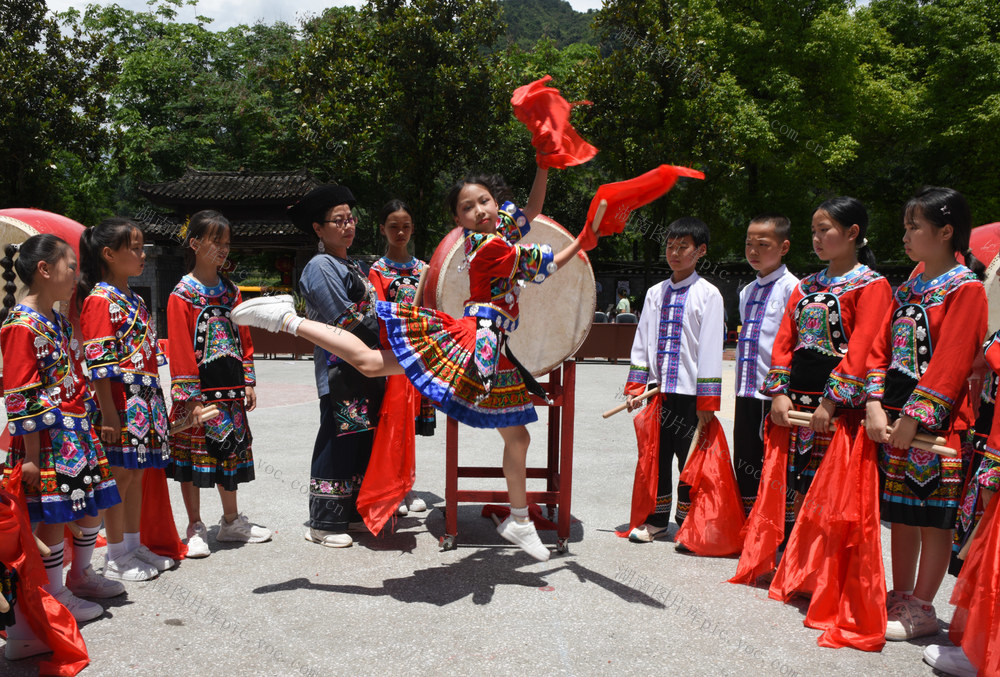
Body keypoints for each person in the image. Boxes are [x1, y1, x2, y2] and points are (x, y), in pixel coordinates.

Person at [232, 166, 593, 561]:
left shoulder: (498, 233)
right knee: (367, 370)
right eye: (468, 207)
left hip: (489, 344)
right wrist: (585, 239)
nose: (480, 210)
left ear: (497, 203)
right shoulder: (491, 248)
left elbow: (531, 211)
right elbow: (547, 265)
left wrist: (542, 163)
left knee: (516, 437)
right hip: (468, 343)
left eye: (485, 201)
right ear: (458, 220)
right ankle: (287, 319)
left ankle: (518, 519)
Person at [864, 186, 987, 641]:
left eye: (914, 227)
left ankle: (923, 606)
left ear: (946, 231)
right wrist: (874, 404)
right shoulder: (907, 289)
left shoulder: (966, 288)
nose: (905, 236)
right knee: (901, 512)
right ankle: (900, 595)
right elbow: (880, 348)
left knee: (934, 516)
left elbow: (952, 360)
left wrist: (915, 417)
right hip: (894, 419)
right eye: (906, 227)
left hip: (937, 425)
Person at [0, 235, 122, 622]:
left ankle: (80, 574)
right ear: (44, 269)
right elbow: (22, 396)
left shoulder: (57, 320)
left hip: (75, 432)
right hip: (46, 440)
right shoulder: (21, 325)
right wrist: (32, 458)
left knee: (88, 507)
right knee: (54, 516)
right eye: (70, 266)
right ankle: (54, 593)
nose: (76, 275)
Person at [762, 197, 892, 535]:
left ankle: (820, 562)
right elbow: (785, 340)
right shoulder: (806, 285)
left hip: (838, 412)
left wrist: (830, 401)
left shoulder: (872, 285)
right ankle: (793, 556)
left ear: (852, 232)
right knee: (793, 488)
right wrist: (778, 393)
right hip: (795, 407)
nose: (816, 239)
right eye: (813, 232)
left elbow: (863, 349)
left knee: (830, 493)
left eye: (824, 230)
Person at [166, 210, 270, 557]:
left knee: (229, 455)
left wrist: (248, 380)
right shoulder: (182, 294)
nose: (223, 249)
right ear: (195, 244)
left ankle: (230, 521)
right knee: (193, 462)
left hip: (230, 393)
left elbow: (243, 338)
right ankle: (195, 527)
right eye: (216, 242)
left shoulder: (231, 292)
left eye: (226, 243)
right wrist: (190, 398)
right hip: (198, 394)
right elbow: (181, 347)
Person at [292, 185, 387, 548]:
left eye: (350, 219)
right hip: (339, 370)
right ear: (318, 229)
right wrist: (389, 334)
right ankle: (323, 521)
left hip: (363, 368)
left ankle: (351, 512)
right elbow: (343, 318)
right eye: (338, 220)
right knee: (337, 440)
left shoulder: (351, 265)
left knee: (360, 440)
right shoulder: (320, 266)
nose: (348, 226)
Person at [79, 218, 174, 581]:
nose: (141, 254)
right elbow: (99, 364)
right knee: (119, 475)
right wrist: (108, 413)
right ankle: (116, 554)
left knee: (136, 474)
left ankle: (133, 545)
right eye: (134, 248)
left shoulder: (135, 299)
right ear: (108, 254)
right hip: (119, 402)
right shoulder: (98, 300)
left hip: (144, 400)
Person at [622, 217, 724, 542]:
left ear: (700, 251)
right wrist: (635, 387)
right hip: (658, 393)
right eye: (670, 246)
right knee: (657, 457)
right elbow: (642, 341)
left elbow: (711, 348)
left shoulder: (709, 295)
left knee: (690, 460)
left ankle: (689, 524)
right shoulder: (655, 293)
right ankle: (656, 520)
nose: (675, 253)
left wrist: (708, 400)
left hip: (691, 395)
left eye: (683, 247)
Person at [367, 199, 433, 517]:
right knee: (392, 423)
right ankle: (393, 486)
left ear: (413, 228)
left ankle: (407, 485)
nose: (400, 232)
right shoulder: (377, 271)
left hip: (419, 355)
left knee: (409, 424)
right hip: (393, 356)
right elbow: (380, 313)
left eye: (406, 226)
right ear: (383, 229)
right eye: (393, 226)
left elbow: (431, 309)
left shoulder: (424, 270)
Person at [734, 214, 798, 516]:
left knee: (775, 462)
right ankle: (750, 523)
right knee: (745, 459)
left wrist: (782, 390)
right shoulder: (747, 291)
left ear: (784, 247)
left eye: (763, 244)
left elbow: (794, 343)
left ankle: (779, 527)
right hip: (745, 391)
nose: (753, 251)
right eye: (749, 244)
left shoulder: (793, 288)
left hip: (773, 394)